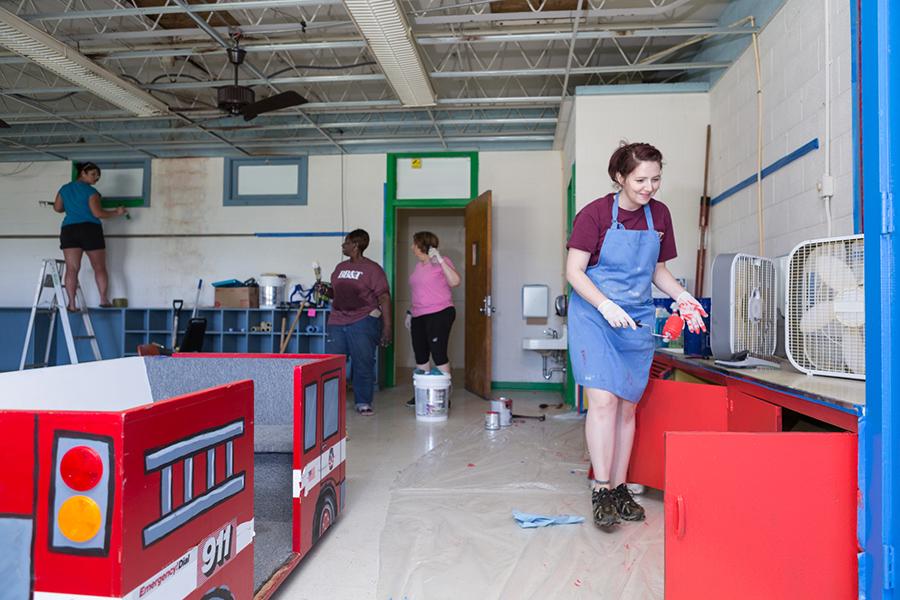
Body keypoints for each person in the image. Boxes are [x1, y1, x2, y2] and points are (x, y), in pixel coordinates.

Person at [566, 142, 707, 530]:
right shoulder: (594, 214)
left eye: (656, 178)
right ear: (619, 178)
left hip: (636, 319)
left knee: (627, 406)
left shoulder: (659, 215)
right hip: (595, 316)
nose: (649, 187)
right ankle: (601, 488)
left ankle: (621, 486)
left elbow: (657, 270)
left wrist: (681, 295)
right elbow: (574, 271)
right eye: (640, 179)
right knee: (603, 402)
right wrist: (605, 305)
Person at [320, 229, 392, 416]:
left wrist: (387, 327)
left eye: (346, 242)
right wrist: (325, 291)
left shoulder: (373, 269)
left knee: (363, 362)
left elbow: (384, 297)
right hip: (337, 320)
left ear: (356, 245)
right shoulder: (340, 268)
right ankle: (330, 402)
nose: (343, 245)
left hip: (363, 320)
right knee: (331, 364)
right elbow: (335, 294)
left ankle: (363, 401)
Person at [53, 161, 126, 311]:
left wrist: (72, 207)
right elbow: (98, 213)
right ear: (83, 173)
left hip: (69, 229)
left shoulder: (64, 189)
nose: (95, 178)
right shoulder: (91, 192)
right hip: (90, 229)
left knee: (72, 269)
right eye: (93, 174)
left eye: (97, 177)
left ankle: (71, 304)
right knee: (99, 267)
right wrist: (116, 213)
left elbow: (57, 208)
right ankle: (103, 299)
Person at [404, 232, 461, 406]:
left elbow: (455, 281)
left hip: (440, 312)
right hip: (419, 314)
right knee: (420, 354)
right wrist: (409, 312)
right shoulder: (419, 266)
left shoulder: (441, 262)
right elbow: (419, 292)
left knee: (438, 353)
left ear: (422, 245)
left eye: (414, 244)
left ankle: (443, 395)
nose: (412, 247)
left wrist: (440, 260)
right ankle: (422, 392)